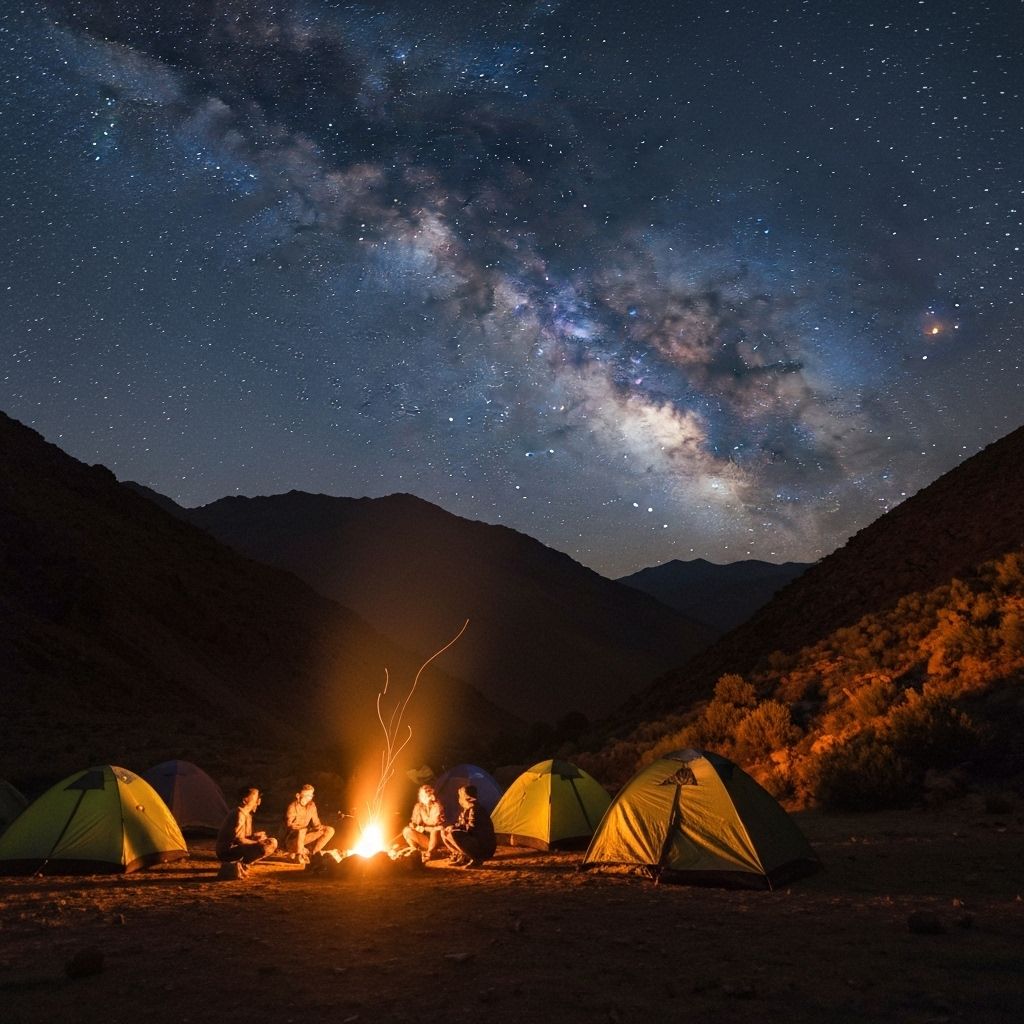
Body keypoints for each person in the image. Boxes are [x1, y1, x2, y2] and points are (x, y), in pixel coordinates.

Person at [215, 786, 278, 877]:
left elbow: (243, 838)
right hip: (226, 852)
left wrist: (254, 836)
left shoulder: (247, 815)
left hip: (236, 848)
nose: (258, 802)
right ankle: (239, 864)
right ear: (245, 800)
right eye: (256, 798)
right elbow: (239, 840)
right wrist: (258, 842)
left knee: (269, 841)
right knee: (269, 843)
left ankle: (242, 864)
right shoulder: (239, 815)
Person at [440, 784, 496, 869]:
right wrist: (452, 826)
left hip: (484, 847)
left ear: (468, 798)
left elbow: (471, 829)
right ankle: (463, 856)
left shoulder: (475, 810)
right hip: (476, 842)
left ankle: (477, 859)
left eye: (461, 796)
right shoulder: (467, 809)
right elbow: (460, 823)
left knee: (455, 834)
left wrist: (455, 829)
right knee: (445, 832)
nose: (459, 799)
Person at [283, 784, 335, 864]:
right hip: (292, 840)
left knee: (329, 830)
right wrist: (302, 829)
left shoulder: (311, 805)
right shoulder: (292, 807)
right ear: (298, 795)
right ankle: (299, 855)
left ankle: (313, 854)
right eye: (306, 795)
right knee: (302, 830)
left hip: (304, 837)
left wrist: (319, 827)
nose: (308, 798)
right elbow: (289, 825)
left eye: (310, 796)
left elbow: (316, 823)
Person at [401, 784, 446, 863]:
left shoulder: (437, 805)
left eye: (426, 793)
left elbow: (436, 823)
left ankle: (430, 853)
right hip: (425, 839)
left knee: (435, 830)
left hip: (436, 838)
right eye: (422, 794)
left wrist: (424, 828)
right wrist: (414, 825)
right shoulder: (418, 806)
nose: (424, 796)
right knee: (407, 830)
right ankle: (415, 851)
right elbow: (415, 822)